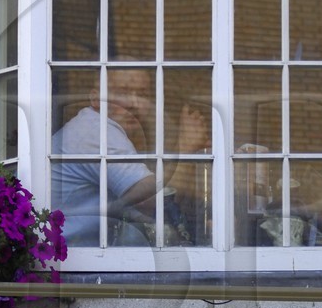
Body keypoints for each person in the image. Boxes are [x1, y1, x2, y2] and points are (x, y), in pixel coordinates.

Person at [52, 69, 208, 245]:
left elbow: (137, 214)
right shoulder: (98, 131)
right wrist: (187, 147)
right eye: (122, 92)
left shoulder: (92, 127)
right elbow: (152, 202)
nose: (134, 103)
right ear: (95, 99)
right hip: (67, 263)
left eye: (142, 94)